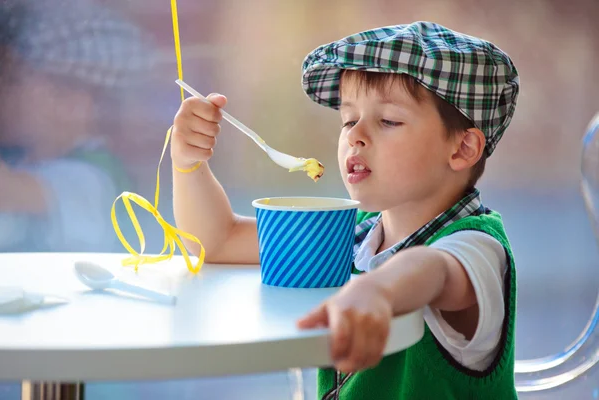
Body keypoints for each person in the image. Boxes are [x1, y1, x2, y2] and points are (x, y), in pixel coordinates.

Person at [171, 21, 520, 399]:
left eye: (388, 120)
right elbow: (217, 240)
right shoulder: (354, 235)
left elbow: (434, 270)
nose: (355, 135)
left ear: (463, 149)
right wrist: (189, 163)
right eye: (348, 119)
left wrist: (378, 291)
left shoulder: (479, 246)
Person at [0, 0, 150, 252]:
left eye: (11, 80)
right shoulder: (21, 160)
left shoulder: (91, 177)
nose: (3, 91)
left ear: (69, 101)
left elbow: (7, 191)